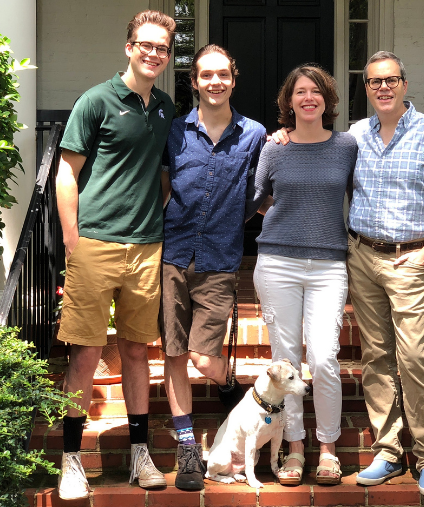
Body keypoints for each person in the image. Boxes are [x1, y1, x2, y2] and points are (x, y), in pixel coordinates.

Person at [54, 10, 175, 500]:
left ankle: (140, 453)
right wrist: (72, 237)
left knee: (136, 350)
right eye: (145, 45)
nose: (153, 54)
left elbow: (165, 174)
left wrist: (152, 213)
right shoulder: (96, 101)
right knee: (84, 352)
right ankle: (70, 458)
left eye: (162, 48)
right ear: (129, 47)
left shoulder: (166, 107)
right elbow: (66, 172)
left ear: (168, 56)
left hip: (146, 246)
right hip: (95, 244)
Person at [347, 52, 424, 496]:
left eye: (391, 80)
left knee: (415, 357)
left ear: (404, 84)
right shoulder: (356, 135)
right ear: (367, 88)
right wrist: (284, 138)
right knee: (376, 357)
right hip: (362, 255)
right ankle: (389, 451)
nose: (383, 88)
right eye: (375, 81)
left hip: (409, 259)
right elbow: (318, 162)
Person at [160, 44, 266, 491]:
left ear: (233, 79)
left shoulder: (255, 134)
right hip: (171, 255)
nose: (215, 82)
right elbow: (163, 185)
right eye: (206, 75)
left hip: (220, 260)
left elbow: (259, 196)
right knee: (173, 353)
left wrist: (227, 223)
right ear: (194, 82)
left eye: (223, 74)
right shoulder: (174, 131)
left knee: (203, 356)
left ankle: (228, 386)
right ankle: (188, 449)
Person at [247, 65, 358, 486]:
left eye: (315, 91)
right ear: (288, 101)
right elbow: (257, 198)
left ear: (327, 100)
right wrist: (285, 217)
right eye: (299, 92)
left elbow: (359, 196)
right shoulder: (274, 148)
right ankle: (294, 448)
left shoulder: (347, 146)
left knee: (325, 357)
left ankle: (327, 448)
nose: (307, 98)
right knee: (286, 360)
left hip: (329, 264)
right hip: (277, 262)